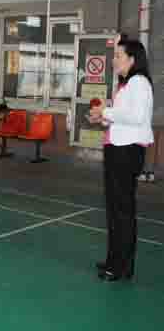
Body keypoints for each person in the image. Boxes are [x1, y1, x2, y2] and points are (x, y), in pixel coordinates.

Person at [89, 39, 153, 282]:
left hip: (127, 152)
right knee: (115, 209)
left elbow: (136, 116)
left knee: (122, 211)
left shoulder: (139, 83)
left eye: (118, 55)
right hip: (117, 148)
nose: (114, 60)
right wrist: (103, 118)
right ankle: (114, 260)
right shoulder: (125, 85)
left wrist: (106, 112)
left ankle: (121, 267)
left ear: (132, 59)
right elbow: (122, 118)